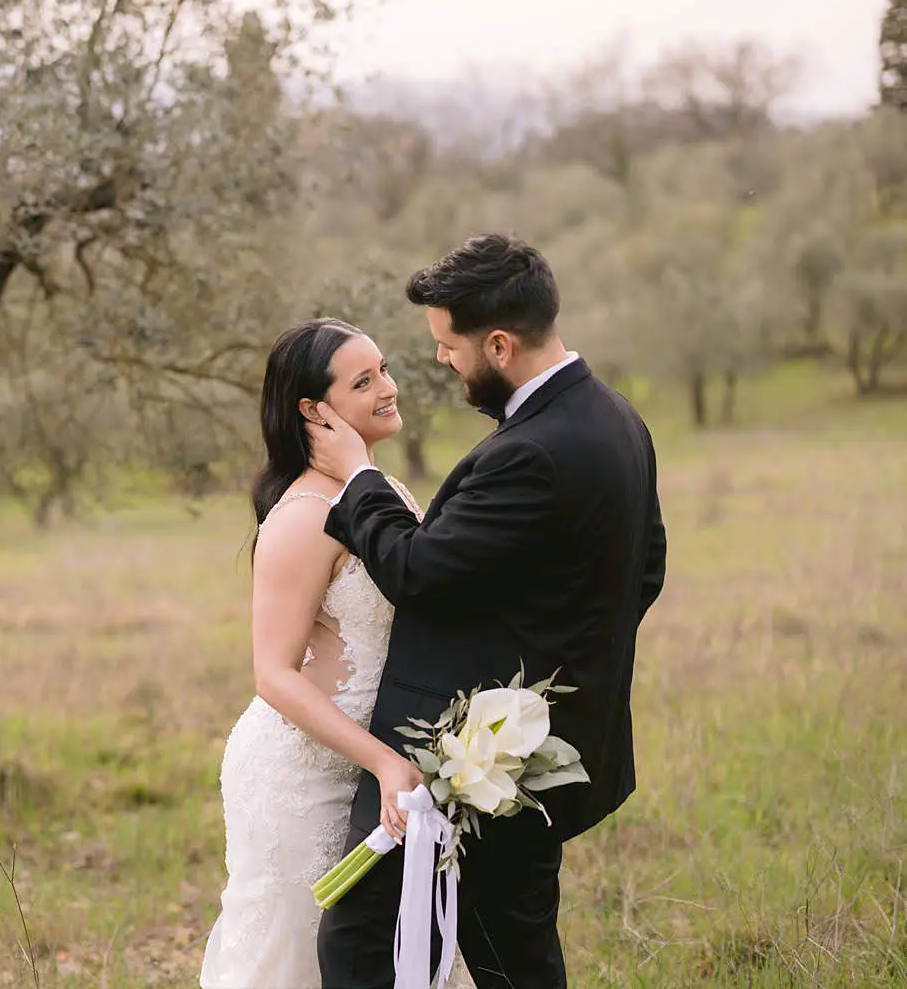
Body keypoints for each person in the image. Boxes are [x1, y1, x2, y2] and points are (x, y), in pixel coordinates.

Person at [309, 234, 668, 989]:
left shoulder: (529, 453)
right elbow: (647, 569)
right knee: (514, 952)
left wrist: (357, 478)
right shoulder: (618, 418)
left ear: (498, 344)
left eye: (449, 345)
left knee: (432, 952)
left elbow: (419, 570)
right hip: (541, 755)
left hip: (493, 771)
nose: (441, 360)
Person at [199, 318, 475, 988]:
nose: (389, 387)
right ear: (312, 409)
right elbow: (272, 674)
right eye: (364, 381)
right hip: (306, 773)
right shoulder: (300, 518)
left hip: (377, 765)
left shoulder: (376, 489)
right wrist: (382, 761)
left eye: (383, 369)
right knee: (298, 956)